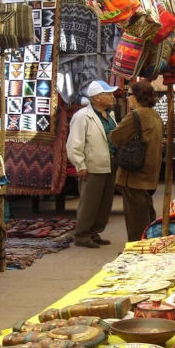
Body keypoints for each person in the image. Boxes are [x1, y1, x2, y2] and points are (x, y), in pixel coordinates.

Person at [66, 80, 119, 248]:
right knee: (89, 203)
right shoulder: (82, 116)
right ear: (97, 97)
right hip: (92, 166)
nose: (112, 97)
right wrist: (80, 165)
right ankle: (82, 235)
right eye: (108, 94)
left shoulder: (110, 115)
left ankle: (94, 232)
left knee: (104, 203)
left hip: (109, 163)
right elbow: (74, 143)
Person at [110, 80, 163, 242]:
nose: (128, 98)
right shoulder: (155, 115)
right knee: (146, 215)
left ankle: (137, 249)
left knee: (136, 220)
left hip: (134, 175)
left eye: (129, 94)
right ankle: (147, 246)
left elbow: (115, 136)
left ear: (138, 96)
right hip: (149, 174)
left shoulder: (136, 115)